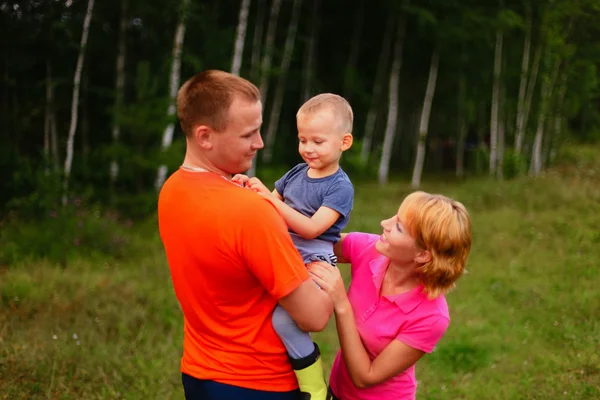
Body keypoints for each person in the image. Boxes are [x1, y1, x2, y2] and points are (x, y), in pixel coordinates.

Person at [157, 70, 333, 400]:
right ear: (205, 136)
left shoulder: (171, 191)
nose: (260, 143)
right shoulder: (250, 211)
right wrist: (329, 267)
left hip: (198, 375)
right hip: (258, 383)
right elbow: (316, 314)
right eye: (247, 134)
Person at [234, 93, 354, 400]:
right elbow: (269, 203)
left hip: (315, 258)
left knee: (284, 320)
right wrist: (250, 190)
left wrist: (269, 201)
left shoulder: (340, 187)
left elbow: (313, 227)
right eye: (303, 140)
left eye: (317, 141)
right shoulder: (297, 172)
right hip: (285, 249)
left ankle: (314, 389)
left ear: (344, 142)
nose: (308, 149)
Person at [308, 191, 472, 400]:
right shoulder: (370, 248)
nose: (384, 223)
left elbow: (365, 377)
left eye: (399, 227)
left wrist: (341, 303)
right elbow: (310, 244)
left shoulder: (432, 316)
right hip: (335, 391)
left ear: (422, 255)